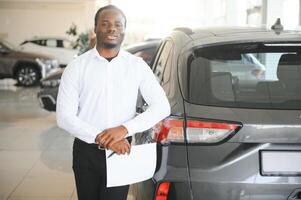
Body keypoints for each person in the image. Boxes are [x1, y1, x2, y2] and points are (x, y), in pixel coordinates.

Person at [56, 5, 170, 200]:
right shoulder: (77, 67)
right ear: (95, 28)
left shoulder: (136, 66)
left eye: (118, 24)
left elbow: (162, 106)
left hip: (121, 152)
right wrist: (107, 140)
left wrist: (124, 130)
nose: (112, 29)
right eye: (105, 24)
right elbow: (64, 117)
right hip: (86, 151)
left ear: (124, 30)